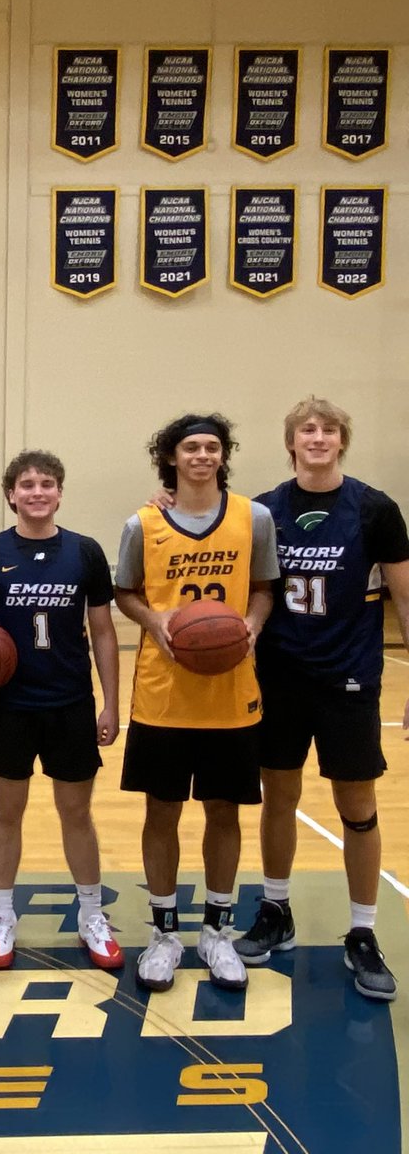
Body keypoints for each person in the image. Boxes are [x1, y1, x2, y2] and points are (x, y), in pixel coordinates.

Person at [232, 397, 409, 1000]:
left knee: (357, 805)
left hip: (349, 677)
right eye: (307, 429)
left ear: (341, 442)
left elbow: (406, 597)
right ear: (292, 443)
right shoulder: (264, 511)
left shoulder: (375, 509)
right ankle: (276, 910)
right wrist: (166, 501)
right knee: (278, 797)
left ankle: (363, 932)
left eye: (329, 430)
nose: (318, 437)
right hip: (280, 676)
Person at [0, 450, 122, 971]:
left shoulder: (85, 552)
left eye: (46, 484)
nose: (37, 492)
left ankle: (92, 915)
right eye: (27, 485)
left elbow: (103, 632)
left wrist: (111, 704)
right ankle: (1, 915)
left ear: (59, 493)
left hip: (70, 703)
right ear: (11, 495)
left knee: (77, 814)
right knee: (6, 812)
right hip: (10, 705)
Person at [114, 413, 278, 994]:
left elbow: (264, 589)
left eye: (212, 447)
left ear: (223, 455)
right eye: (191, 447)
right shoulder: (142, 523)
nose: (202, 455)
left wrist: (252, 626)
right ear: (171, 457)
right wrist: (154, 619)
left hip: (231, 693)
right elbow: (125, 592)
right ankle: (163, 934)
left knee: (224, 812)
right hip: (163, 695)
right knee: (161, 812)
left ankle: (217, 931)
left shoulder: (254, 518)